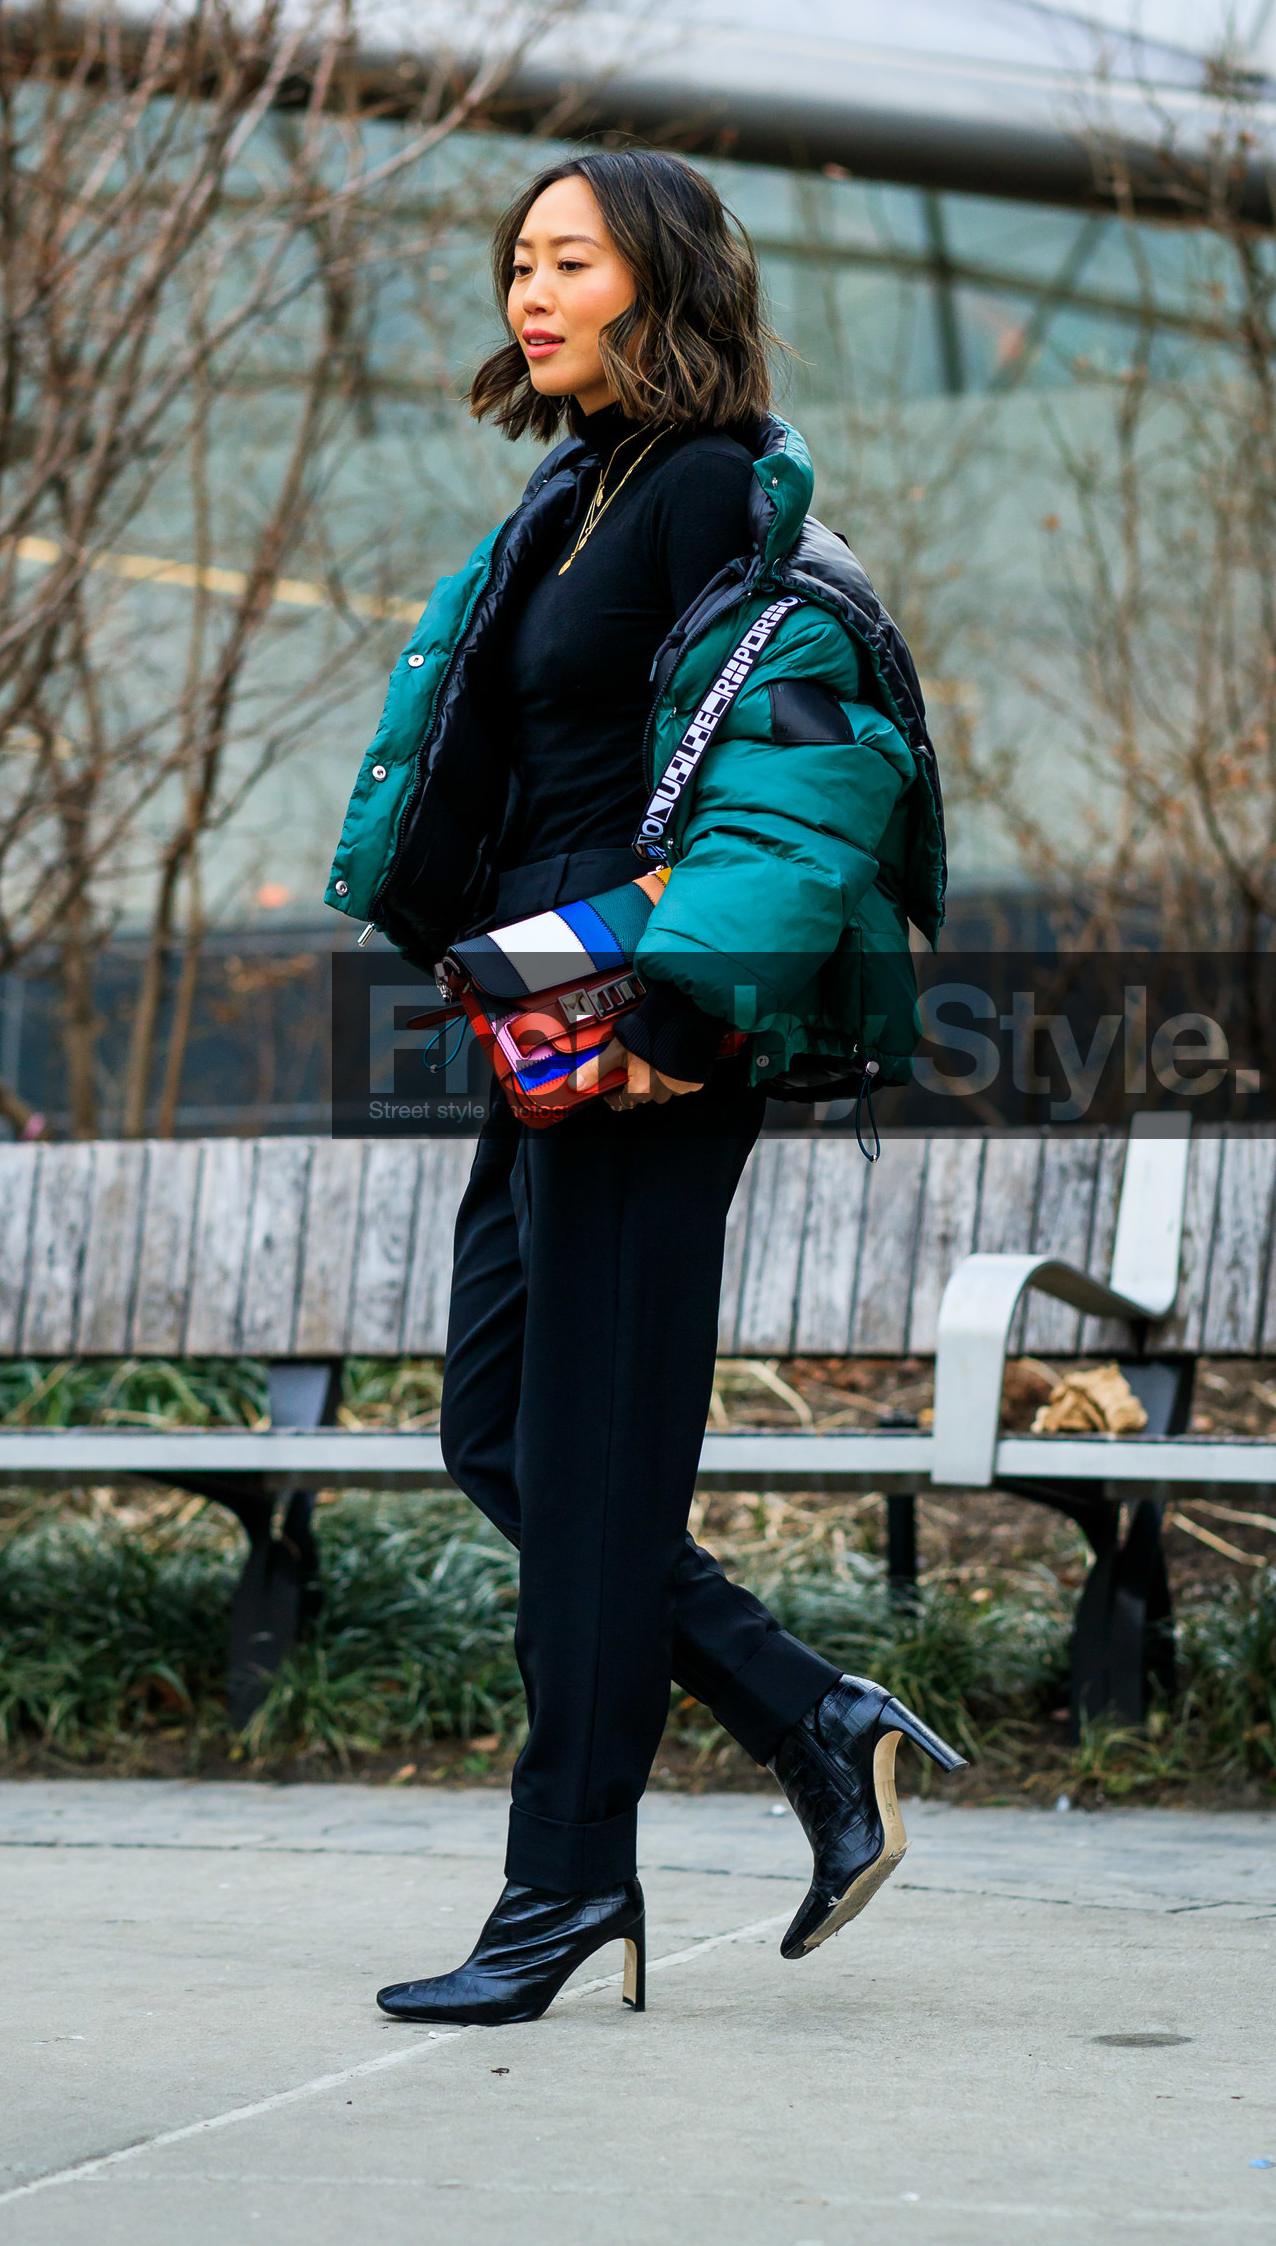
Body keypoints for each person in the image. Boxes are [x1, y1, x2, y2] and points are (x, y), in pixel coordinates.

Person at [324, 149, 963, 2027]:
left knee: (593, 1464)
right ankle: (812, 1714)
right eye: (518, 262)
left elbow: (802, 765)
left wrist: (684, 1019)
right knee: (506, 1436)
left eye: (571, 262)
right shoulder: (570, 491)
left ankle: (563, 1888)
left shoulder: (707, 489)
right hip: (543, 1019)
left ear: (661, 284)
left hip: (647, 1031)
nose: (530, 293)